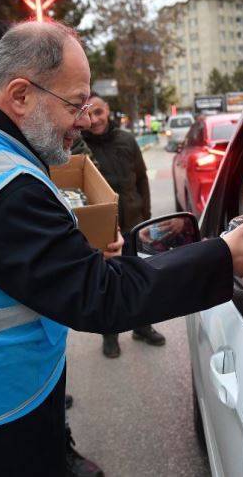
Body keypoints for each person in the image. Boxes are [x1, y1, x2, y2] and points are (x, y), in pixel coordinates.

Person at [0, 20, 243, 477]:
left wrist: (64, 253)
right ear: (20, 95)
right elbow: (101, 297)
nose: (84, 120)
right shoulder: (1, 185)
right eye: (75, 104)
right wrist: (223, 257)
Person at [80, 94, 165, 358]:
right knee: (107, 285)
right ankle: (110, 334)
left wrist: (147, 218)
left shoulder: (127, 140)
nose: (94, 120)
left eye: (99, 112)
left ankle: (142, 327)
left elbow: (141, 179)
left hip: (134, 224)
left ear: (108, 112)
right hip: (104, 231)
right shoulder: (80, 148)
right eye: (89, 114)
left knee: (138, 280)